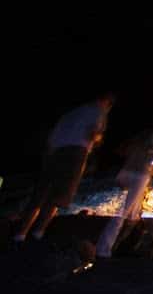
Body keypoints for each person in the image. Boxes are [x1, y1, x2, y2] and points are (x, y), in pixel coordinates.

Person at [14, 93, 115, 243]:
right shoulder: (98, 111)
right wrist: (98, 139)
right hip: (76, 153)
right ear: (107, 102)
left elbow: (51, 139)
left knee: (40, 194)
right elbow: (92, 134)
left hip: (54, 153)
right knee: (60, 195)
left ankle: (20, 234)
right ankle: (38, 234)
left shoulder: (70, 114)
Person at [96, 127, 153, 258]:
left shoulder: (143, 136)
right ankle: (103, 250)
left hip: (125, 172)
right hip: (140, 175)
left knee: (134, 214)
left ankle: (124, 247)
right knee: (122, 214)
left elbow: (124, 150)